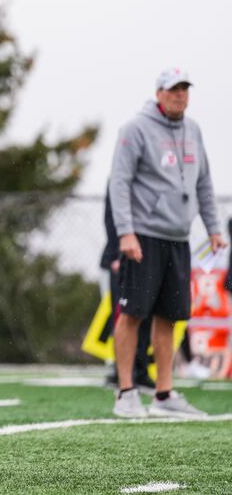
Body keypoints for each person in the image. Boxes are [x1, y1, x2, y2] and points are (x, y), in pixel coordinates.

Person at [109, 66, 225, 419]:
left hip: (178, 239)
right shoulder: (135, 129)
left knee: (169, 317)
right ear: (159, 93)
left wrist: (214, 227)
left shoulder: (193, 130)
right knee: (132, 313)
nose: (180, 95)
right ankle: (126, 392)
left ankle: (163, 394)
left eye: (185, 89)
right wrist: (126, 232)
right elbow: (120, 182)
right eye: (174, 89)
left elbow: (203, 182)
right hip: (143, 236)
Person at [100, 186, 155, 393]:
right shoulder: (121, 173)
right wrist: (116, 253)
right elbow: (111, 215)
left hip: (148, 253)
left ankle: (140, 371)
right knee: (124, 314)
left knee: (146, 313)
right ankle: (120, 372)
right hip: (123, 255)